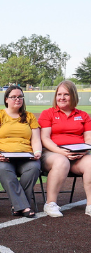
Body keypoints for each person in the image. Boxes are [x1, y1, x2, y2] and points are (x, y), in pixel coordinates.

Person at [0, 85, 42, 218]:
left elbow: (36, 139)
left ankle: (18, 205)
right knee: (5, 169)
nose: (18, 99)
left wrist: (37, 151)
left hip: (25, 157)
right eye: (14, 97)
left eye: (20, 96)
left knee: (34, 167)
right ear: (6, 99)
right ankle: (24, 206)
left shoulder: (29, 116)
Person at [38, 80, 91, 218]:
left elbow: (89, 139)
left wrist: (82, 151)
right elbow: (45, 138)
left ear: (73, 95)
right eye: (59, 94)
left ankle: (90, 205)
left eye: (66, 94)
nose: (61, 97)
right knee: (62, 161)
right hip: (52, 154)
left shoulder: (83, 115)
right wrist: (61, 151)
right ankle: (50, 204)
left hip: (78, 156)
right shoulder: (47, 113)